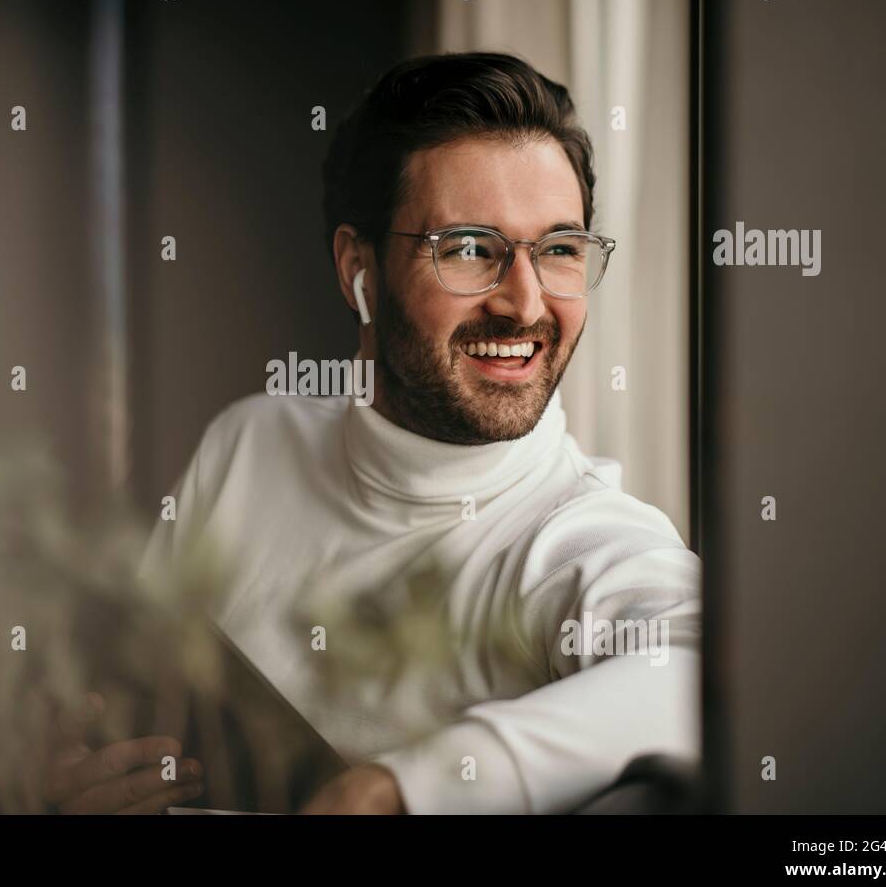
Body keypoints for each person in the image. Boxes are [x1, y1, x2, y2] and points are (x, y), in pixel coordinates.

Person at [43, 52, 701, 814]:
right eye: (467, 249)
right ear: (358, 270)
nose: (525, 304)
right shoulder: (250, 442)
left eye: (558, 250)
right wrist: (69, 785)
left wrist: (402, 785)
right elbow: (129, 711)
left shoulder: (583, 539)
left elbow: (701, 676)